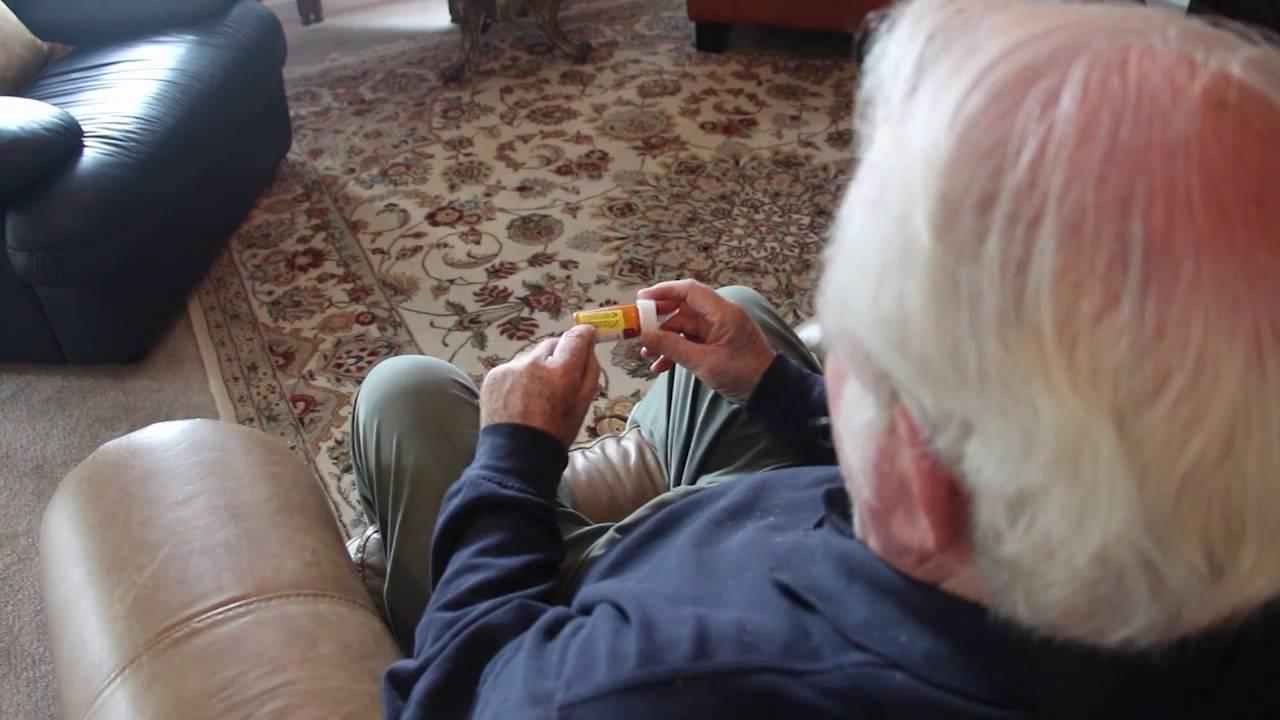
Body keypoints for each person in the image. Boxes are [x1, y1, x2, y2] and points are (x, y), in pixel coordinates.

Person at [352, 0, 1280, 717]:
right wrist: (771, 383)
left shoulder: (633, 689)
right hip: (800, 538)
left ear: (926, 474)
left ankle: (401, 576)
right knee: (748, 317)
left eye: (858, 346)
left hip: (590, 607)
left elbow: (460, 695)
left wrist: (513, 459)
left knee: (405, 395)